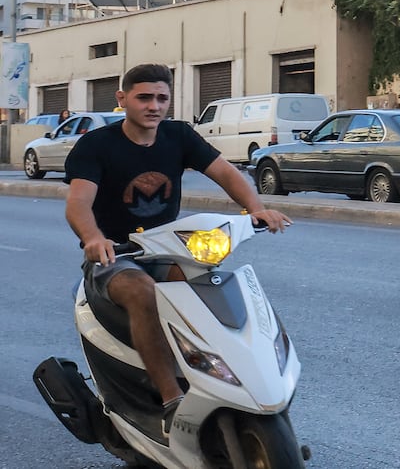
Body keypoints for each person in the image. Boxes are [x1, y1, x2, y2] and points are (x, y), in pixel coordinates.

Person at [64, 63, 292, 435]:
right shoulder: (96, 145)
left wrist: (256, 209)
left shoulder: (179, 137)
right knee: (142, 293)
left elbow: (226, 173)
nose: (154, 106)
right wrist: (94, 238)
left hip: (170, 249)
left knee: (211, 289)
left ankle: (230, 379)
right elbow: (78, 204)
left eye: (162, 98)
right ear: (122, 99)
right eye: (144, 98)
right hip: (115, 257)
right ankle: (171, 400)